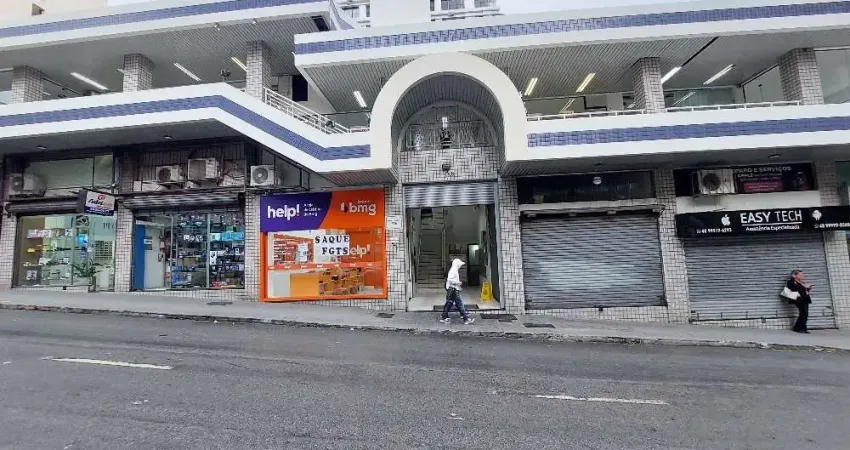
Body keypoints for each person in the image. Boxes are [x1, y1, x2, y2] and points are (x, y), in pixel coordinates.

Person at [440, 259, 474, 325]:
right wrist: (458, 283)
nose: (460, 266)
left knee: (450, 303)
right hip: (453, 290)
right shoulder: (454, 270)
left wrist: (458, 286)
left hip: (452, 289)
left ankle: (444, 316)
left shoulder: (454, 269)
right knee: (459, 304)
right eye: (460, 265)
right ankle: (465, 318)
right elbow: (449, 279)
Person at [785, 269, 813, 333]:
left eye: (802, 275)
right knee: (804, 313)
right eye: (800, 275)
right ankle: (802, 328)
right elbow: (794, 290)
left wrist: (808, 288)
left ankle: (797, 328)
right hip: (799, 300)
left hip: (804, 299)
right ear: (794, 275)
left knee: (803, 313)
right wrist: (804, 287)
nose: (802, 276)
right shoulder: (791, 281)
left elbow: (804, 291)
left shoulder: (801, 282)